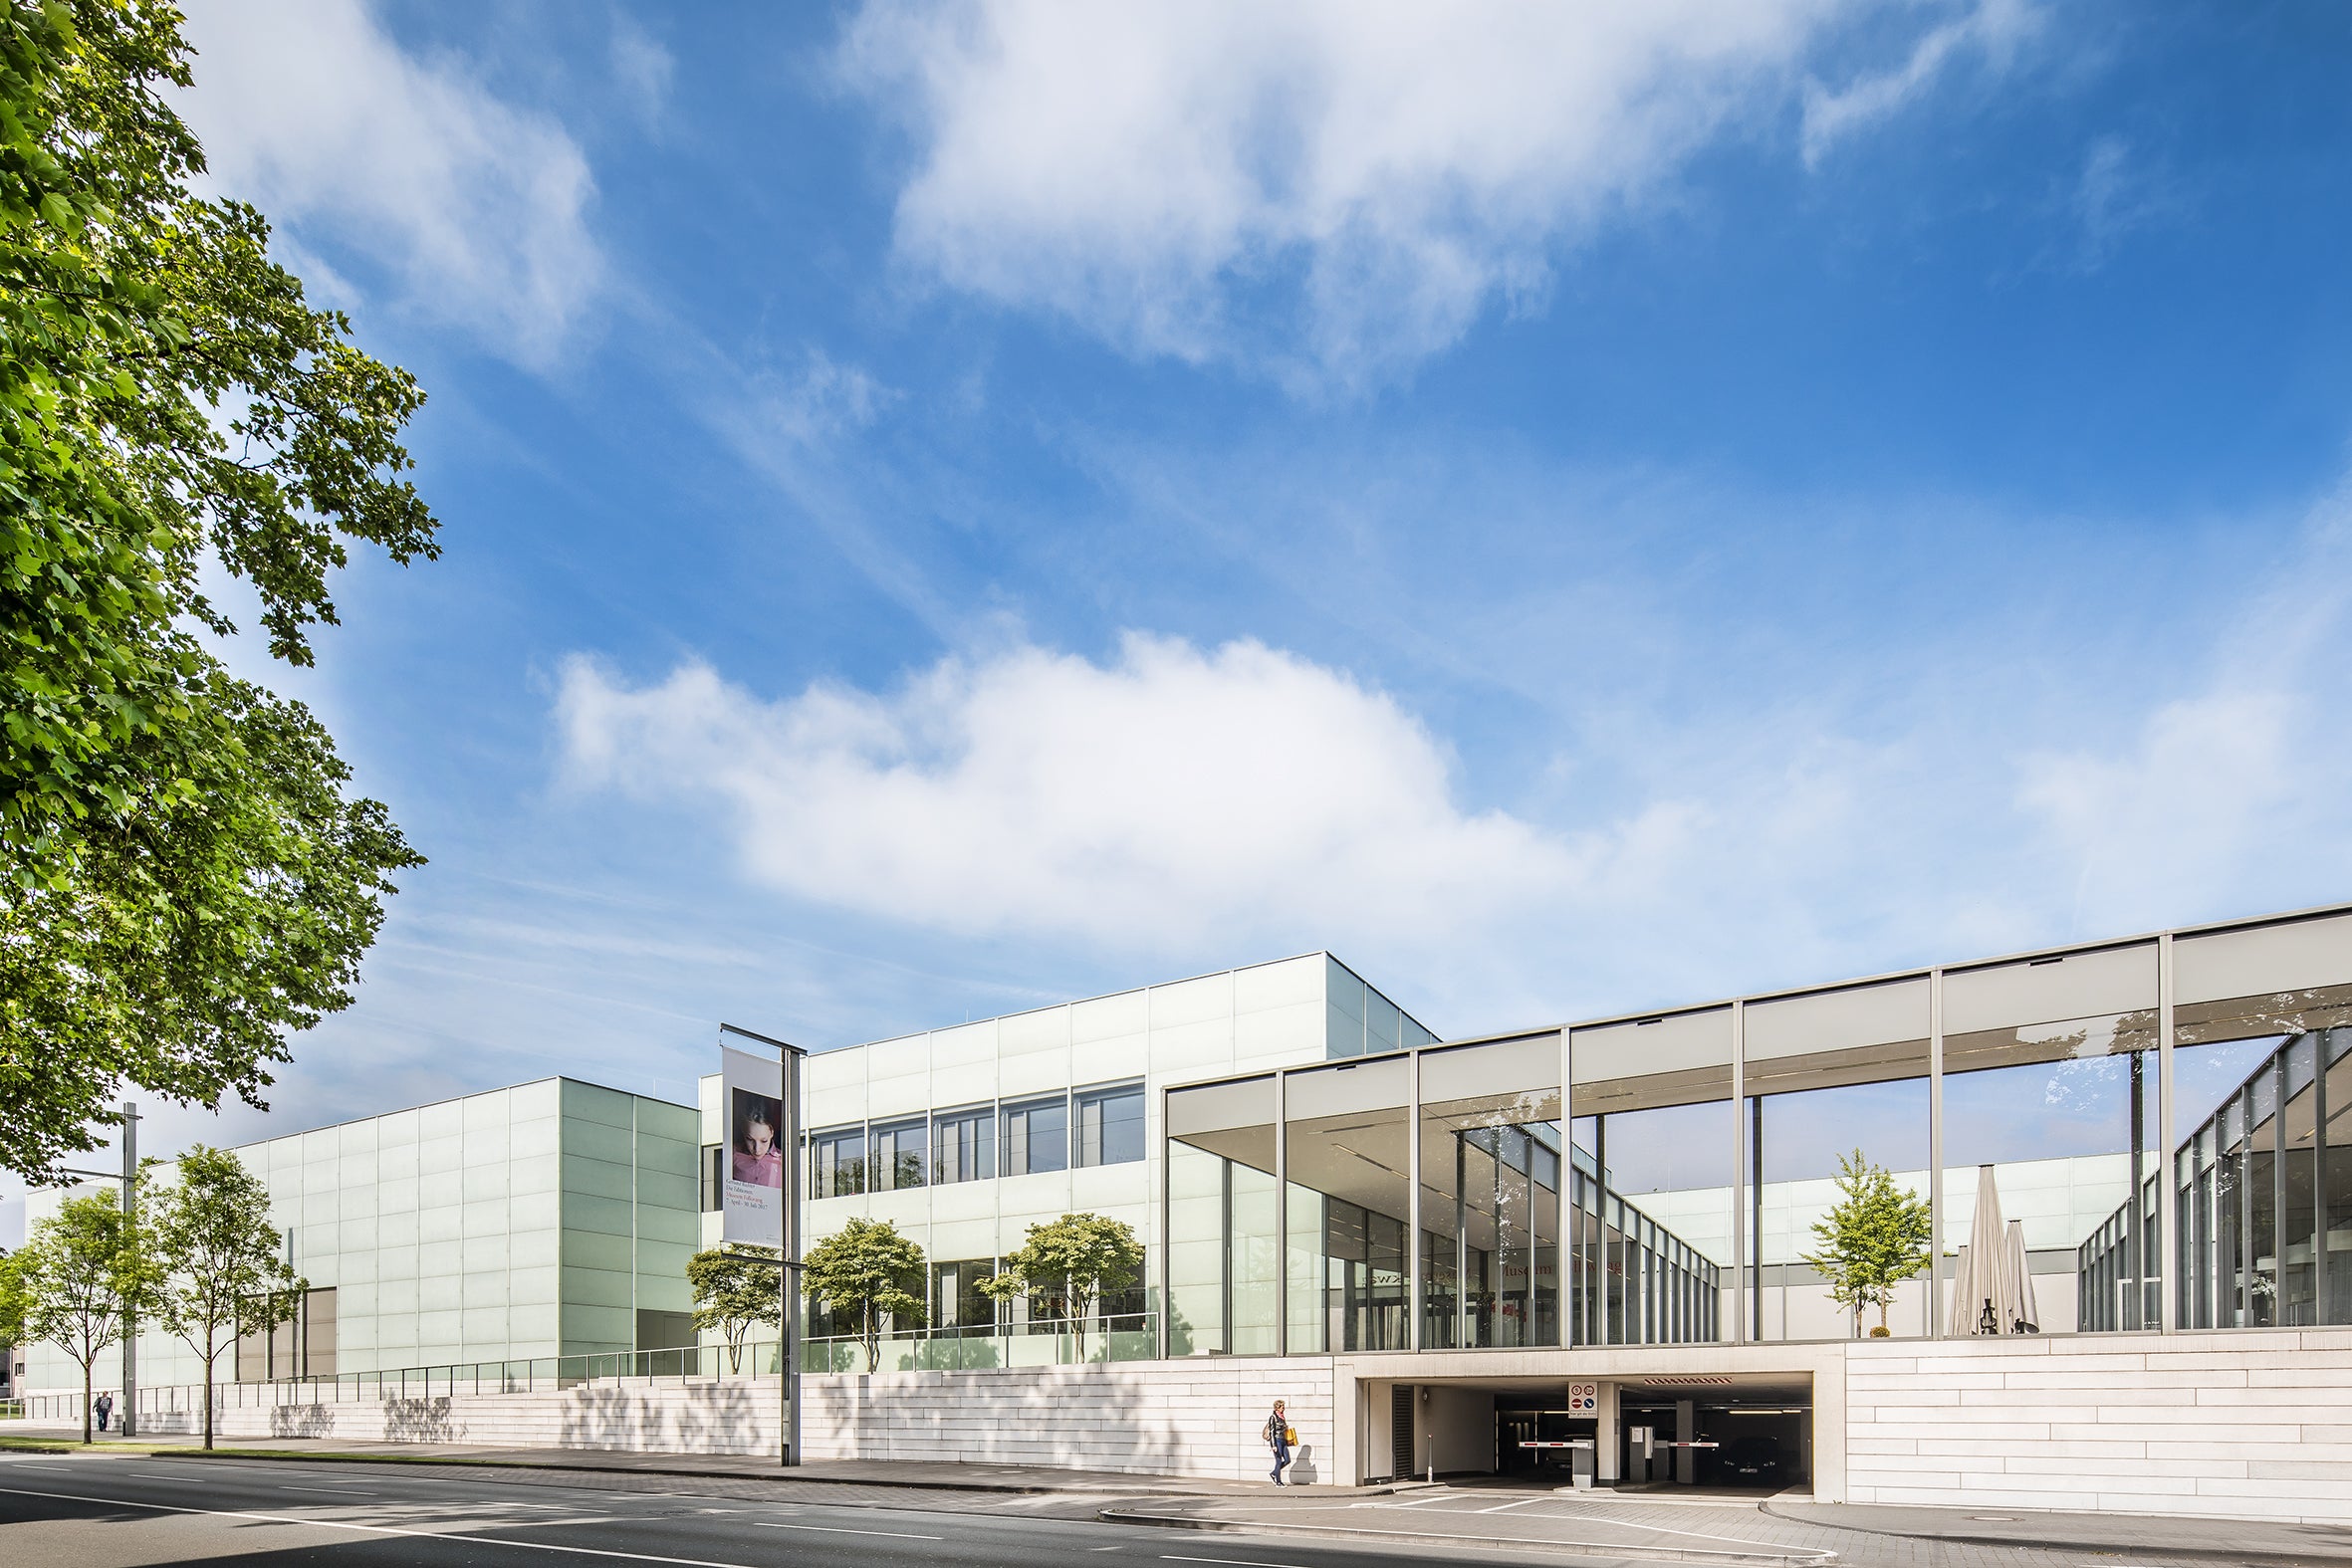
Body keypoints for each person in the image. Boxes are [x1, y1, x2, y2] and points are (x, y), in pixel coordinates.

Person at [732, 1101, 783, 1188]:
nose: (757, 1149)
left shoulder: (784, 1161)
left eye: (764, 1141)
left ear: (771, 1133)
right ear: (743, 1131)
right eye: (750, 1139)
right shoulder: (732, 1154)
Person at [1262, 1399, 1292, 1485]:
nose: (1284, 1408)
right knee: (1278, 1461)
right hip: (1277, 1440)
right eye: (1282, 1407)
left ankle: (1274, 1473)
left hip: (1283, 1441)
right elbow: (1271, 1432)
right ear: (1277, 1408)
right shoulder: (1273, 1417)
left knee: (1287, 1460)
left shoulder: (1282, 1417)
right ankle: (1278, 1482)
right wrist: (1273, 1445)